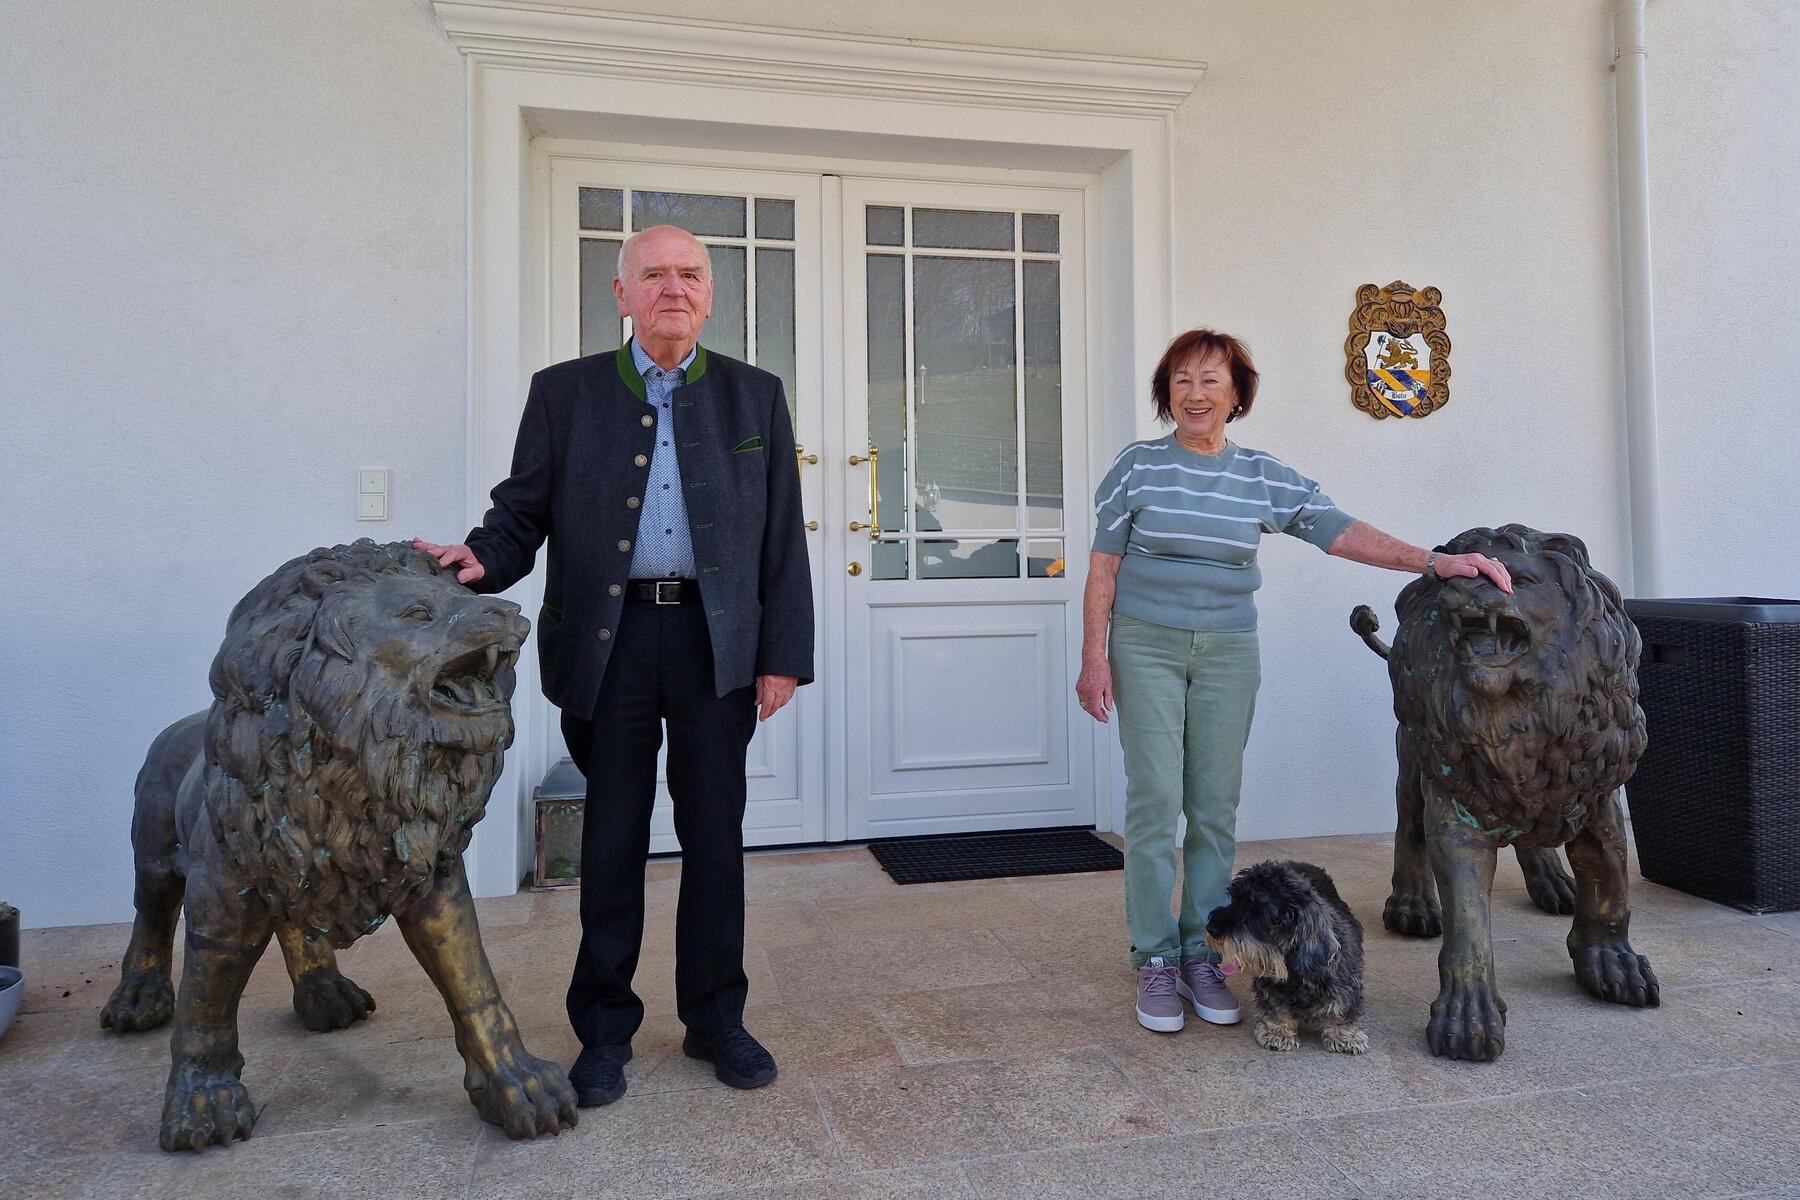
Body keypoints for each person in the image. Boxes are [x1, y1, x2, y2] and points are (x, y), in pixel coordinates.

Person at [414, 224, 813, 1104]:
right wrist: (479, 557)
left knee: (716, 838)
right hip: (609, 645)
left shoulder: (757, 396)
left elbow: (782, 536)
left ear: (711, 294)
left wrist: (783, 654)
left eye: (691, 275)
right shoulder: (564, 393)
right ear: (621, 293)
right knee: (612, 838)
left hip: (718, 648)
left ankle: (716, 1020)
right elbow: (522, 512)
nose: (675, 288)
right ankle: (603, 1029)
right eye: (655, 274)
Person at [1075, 329, 1511, 1033]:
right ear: (1166, 394)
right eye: (1182, 381)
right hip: (1145, 645)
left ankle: (1202, 953)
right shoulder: (1137, 467)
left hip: (1227, 650)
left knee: (1214, 806)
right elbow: (1104, 570)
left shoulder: (1260, 475)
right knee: (1155, 803)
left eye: (1211, 381)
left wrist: (1433, 561)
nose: (1196, 394)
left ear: (1237, 394)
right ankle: (1154, 959)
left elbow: (1337, 530)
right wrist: (1094, 657)